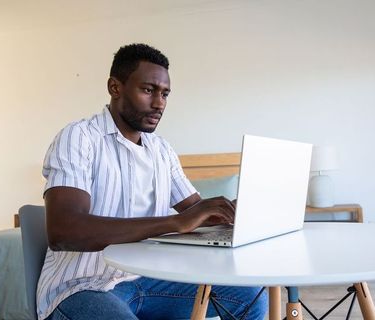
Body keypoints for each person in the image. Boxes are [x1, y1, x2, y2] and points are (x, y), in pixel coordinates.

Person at [37, 43, 268, 320]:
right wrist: (172, 223)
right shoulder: (79, 137)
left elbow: (196, 212)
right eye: (148, 90)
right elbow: (64, 232)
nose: (159, 103)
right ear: (115, 87)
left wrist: (229, 213)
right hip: (83, 287)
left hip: (149, 281)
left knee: (249, 296)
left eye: (165, 93)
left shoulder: (161, 150)